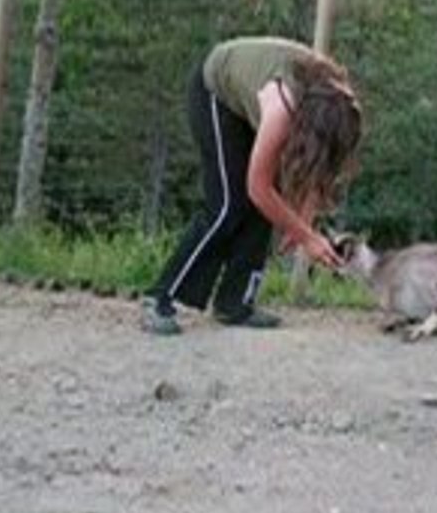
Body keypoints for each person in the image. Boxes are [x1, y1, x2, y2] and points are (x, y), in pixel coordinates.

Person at [141, 36, 363, 335]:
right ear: (306, 123)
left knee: (266, 210)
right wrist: (306, 236)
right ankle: (159, 298)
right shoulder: (283, 110)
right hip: (215, 91)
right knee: (228, 206)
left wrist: (303, 223)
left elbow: (321, 168)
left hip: (252, 101)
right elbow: (258, 188)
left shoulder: (344, 111)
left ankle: (234, 304)